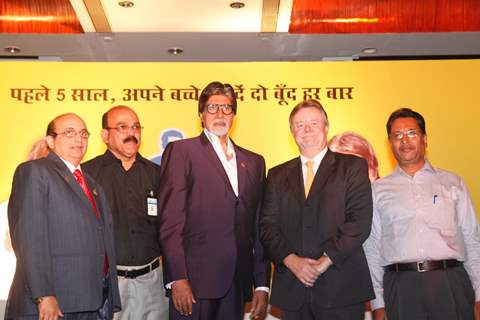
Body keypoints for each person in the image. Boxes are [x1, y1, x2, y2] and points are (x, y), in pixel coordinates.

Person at [158, 81, 271, 320]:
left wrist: (261, 283)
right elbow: (170, 221)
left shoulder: (254, 162)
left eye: (226, 108)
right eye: (212, 108)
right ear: (201, 114)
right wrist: (177, 277)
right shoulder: (181, 151)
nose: (220, 114)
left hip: (237, 282)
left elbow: (258, 226)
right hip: (193, 283)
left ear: (234, 115)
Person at [260, 99, 374, 320]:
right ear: (292, 132)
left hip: (341, 288)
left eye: (314, 122)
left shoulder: (352, 167)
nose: (307, 129)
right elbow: (267, 227)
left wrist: (324, 261)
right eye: (299, 124)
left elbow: (359, 222)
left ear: (326, 127)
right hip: (293, 290)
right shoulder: (276, 175)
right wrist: (291, 260)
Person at [364, 107, 480, 320]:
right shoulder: (378, 190)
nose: (404, 141)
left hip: (450, 282)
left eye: (411, 133)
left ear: (425, 139)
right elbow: (372, 248)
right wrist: (378, 304)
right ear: (390, 143)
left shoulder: (453, 183)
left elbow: (472, 240)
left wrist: (479, 293)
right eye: (397, 136)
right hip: (400, 287)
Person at [5, 113, 120, 319]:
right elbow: (30, 238)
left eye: (84, 133)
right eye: (69, 133)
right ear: (50, 140)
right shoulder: (34, 171)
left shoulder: (92, 184)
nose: (79, 139)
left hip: (92, 302)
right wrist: (44, 294)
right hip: (53, 303)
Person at [83, 106, 168, 320]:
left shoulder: (158, 174)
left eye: (136, 127)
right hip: (107, 284)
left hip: (152, 284)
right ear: (105, 135)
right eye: (122, 127)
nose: (132, 133)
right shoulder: (87, 175)